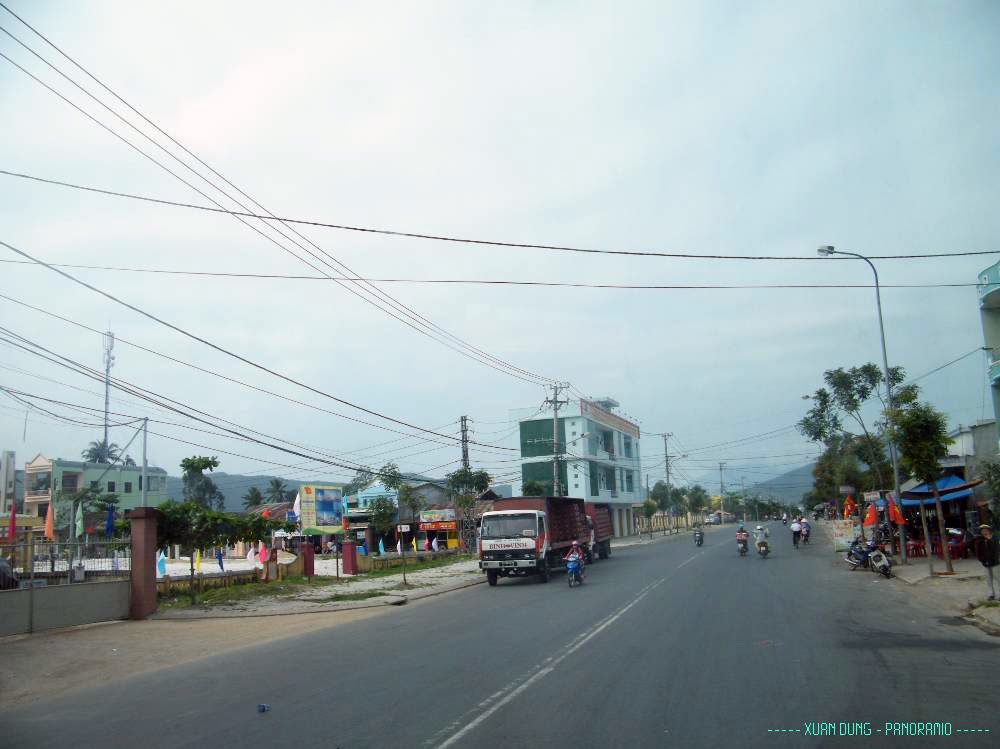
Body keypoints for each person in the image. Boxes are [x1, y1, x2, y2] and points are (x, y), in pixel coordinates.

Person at [975, 524, 999, 600]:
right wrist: (982, 560)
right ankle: (991, 594)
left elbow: (997, 550)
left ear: (989, 530)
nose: (984, 531)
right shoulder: (980, 540)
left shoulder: (995, 538)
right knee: (988, 580)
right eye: (982, 531)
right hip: (986, 563)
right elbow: (978, 552)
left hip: (996, 562)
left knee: (998, 578)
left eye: (985, 530)